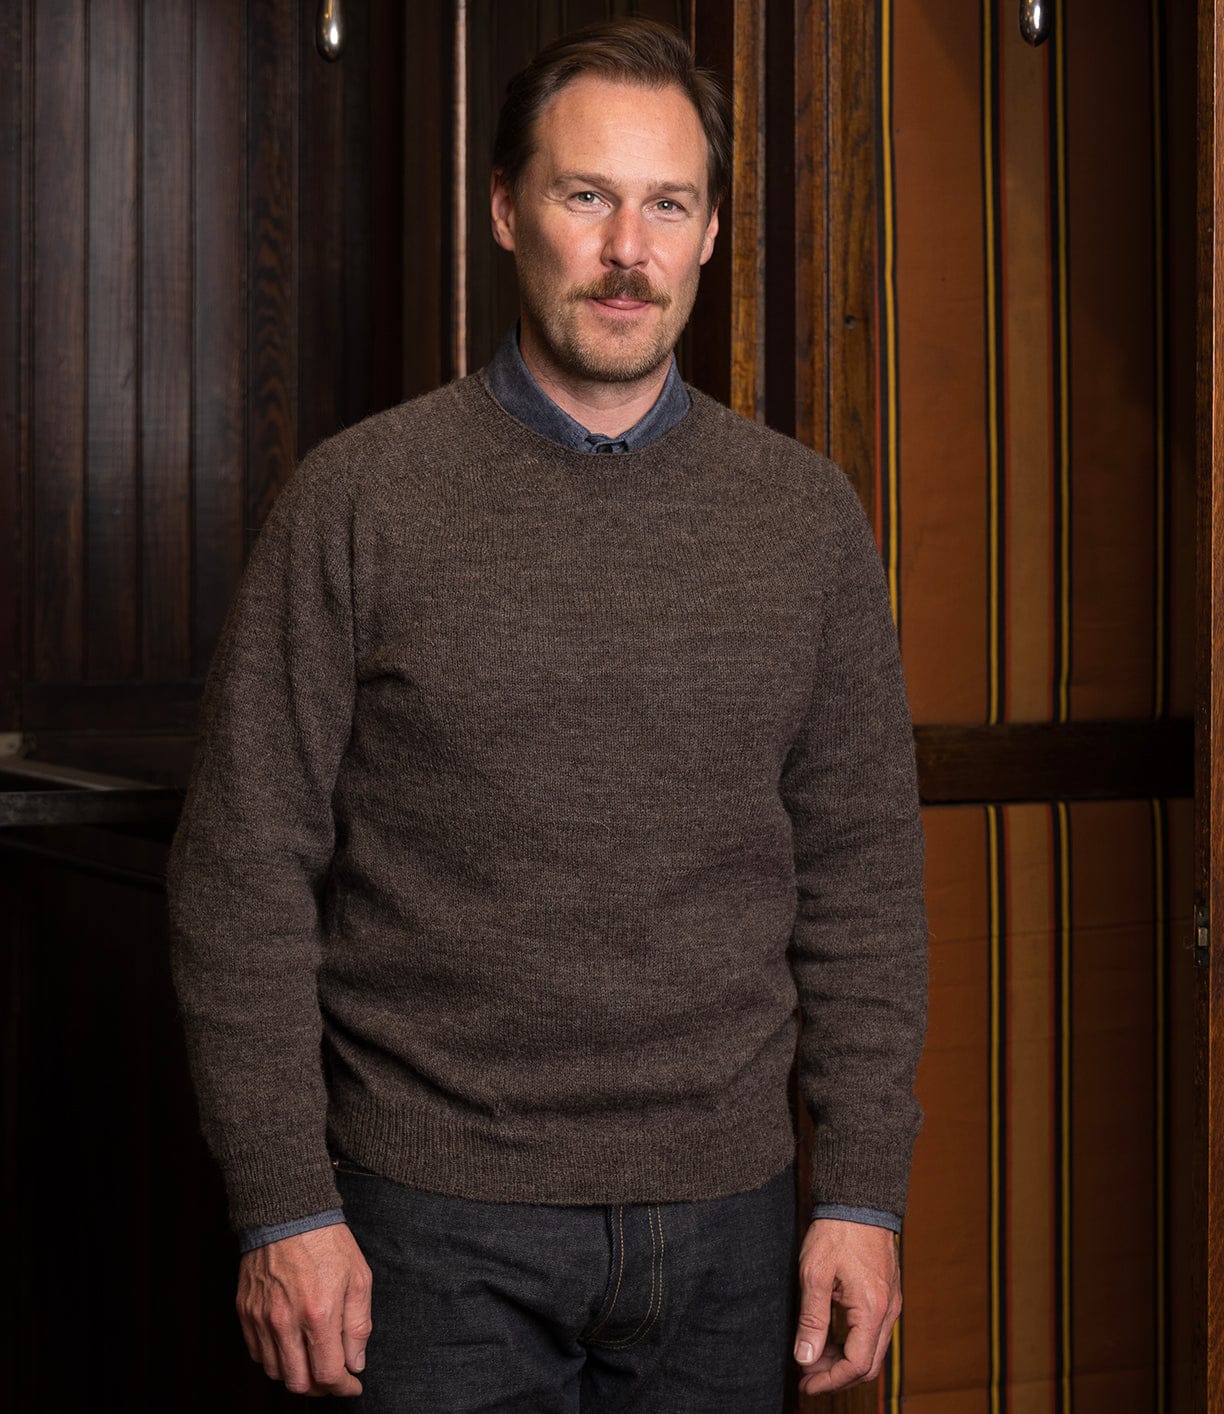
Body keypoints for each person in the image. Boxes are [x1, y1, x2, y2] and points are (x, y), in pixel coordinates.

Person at [168, 17, 927, 1413]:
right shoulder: (358, 501)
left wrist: (864, 1190)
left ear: (707, 237)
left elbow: (865, 877)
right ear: (511, 211)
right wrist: (283, 1205)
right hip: (431, 1229)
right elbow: (240, 874)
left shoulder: (804, 518)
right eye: (587, 197)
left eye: (668, 204)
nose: (627, 248)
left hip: (733, 1229)